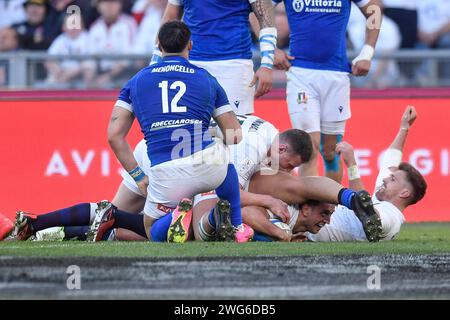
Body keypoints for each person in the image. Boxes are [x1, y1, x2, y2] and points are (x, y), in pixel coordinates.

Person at [273, 0, 382, 183]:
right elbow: (256, 8)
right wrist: (271, 48)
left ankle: (329, 208)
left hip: (337, 74)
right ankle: (310, 207)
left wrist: (367, 52)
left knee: (330, 152)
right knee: (308, 148)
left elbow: (374, 10)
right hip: (301, 74)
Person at [307, 106, 427, 242]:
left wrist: (352, 164)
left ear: (404, 193)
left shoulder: (392, 217)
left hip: (305, 227)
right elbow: (391, 158)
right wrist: (404, 127)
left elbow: (368, 214)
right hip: (304, 219)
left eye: (392, 179)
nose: (385, 179)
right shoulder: (381, 201)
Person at [151, 0, 280, 115]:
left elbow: (265, 19)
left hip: (234, 65)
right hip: (192, 64)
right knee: (193, 128)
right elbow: (169, 20)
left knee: (234, 133)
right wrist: (154, 65)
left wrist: (266, 65)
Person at [243, 200, 335, 242]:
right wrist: (281, 234)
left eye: (330, 214)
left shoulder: (304, 231)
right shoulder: (285, 211)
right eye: (324, 214)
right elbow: (245, 213)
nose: (328, 221)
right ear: (306, 209)